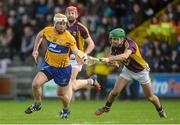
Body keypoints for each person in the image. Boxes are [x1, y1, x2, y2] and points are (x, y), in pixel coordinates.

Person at [24, 13, 88, 119]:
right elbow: (39, 35)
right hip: (49, 65)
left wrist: (79, 58)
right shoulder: (48, 30)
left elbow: (75, 51)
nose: (63, 26)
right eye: (60, 23)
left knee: (61, 95)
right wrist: (35, 50)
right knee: (35, 84)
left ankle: (66, 109)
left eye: (64, 24)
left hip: (63, 69)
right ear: (55, 24)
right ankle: (37, 104)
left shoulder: (69, 38)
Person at [95, 28, 167, 118]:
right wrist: (113, 63)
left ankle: (160, 110)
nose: (113, 41)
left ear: (122, 38)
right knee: (114, 92)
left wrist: (109, 58)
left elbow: (124, 56)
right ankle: (106, 108)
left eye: (115, 39)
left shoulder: (130, 44)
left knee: (150, 97)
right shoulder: (113, 46)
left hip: (141, 71)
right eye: (112, 39)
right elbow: (116, 61)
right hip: (128, 70)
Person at [65, 6, 101, 94]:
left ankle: (66, 108)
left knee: (71, 84)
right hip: (64, 59)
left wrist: (84, 55)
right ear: (66, 15)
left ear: (76, 15)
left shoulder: (81, 28)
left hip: (76, 59)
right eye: (69, 13)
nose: (70, 15)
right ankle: (91, 81)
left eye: (72, 13)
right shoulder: (62, 27)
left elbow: (91, 44)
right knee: (70, 85)